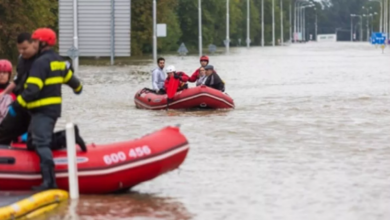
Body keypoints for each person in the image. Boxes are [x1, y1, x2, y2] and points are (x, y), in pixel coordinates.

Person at [8, 27, 83, 190]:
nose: (33, 45)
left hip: (43, 110)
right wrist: (78, 88)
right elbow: (71, 79)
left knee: (41, 143)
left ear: (42, 43)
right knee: (32, 143)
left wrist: (16, 105)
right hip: (48, 110)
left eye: (34, 41)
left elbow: (33, 89)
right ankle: (67, 137)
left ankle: (50, 182)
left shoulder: (40, 63)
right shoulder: (57, 60)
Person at [0, 33, 39, 144]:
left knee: (33, 139)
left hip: (37, 108)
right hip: (21, 105)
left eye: (24, 48)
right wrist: (3, 94)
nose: (21, 51)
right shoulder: (21, 60)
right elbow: (17, 80)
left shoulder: (44, 59)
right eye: (19, 49)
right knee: (3, 132)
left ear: (34, 44)